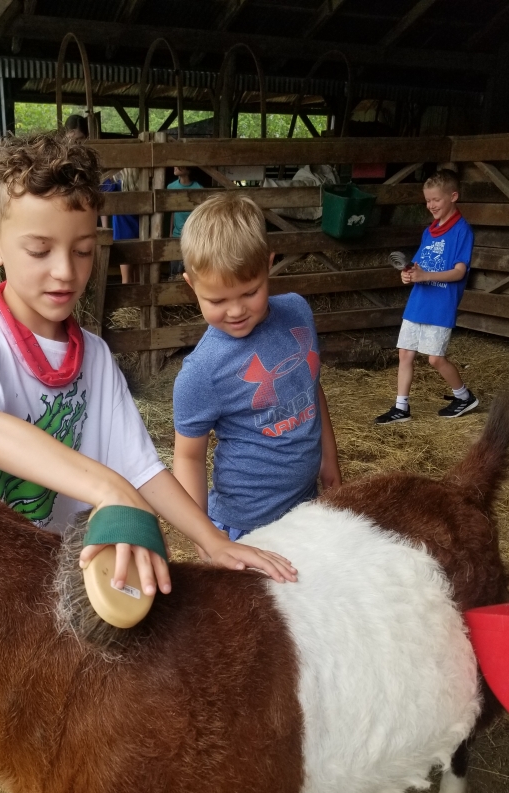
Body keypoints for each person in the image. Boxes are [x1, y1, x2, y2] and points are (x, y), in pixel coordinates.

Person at [0, 131, 297, 793]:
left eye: (84, 250)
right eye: (39, 249)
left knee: (55, 720)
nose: (65, 272)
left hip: (63, 587)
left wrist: (212, 542)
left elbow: (141, 465)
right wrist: (105, 491)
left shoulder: (90, 357)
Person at [172, 193, 341, 544]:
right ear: (191, 284)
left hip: (306, 508)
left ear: (269, 265)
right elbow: (188, 457)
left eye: (250, 292)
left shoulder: (297, 313)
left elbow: (310, 386)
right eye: (217, 300)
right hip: (246, 527)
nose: (235, 311)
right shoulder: (201, 372)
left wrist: (329, 458)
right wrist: (205, 537)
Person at [375, 169, 477, 423]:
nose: (431, 205)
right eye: (428, 200)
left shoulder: (462, 231)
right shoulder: (429, 231)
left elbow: (459, 271)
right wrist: (409, 275)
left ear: (453, 196)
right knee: (405, 354)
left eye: (436, 200)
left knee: (434, 358)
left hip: (440, 304)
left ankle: (464, 397)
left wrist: (426, 276)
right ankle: (401, 408)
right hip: (418, 302)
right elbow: (419, 265)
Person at [167, 165, 202, 277]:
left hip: (192, 236)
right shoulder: (171, 187)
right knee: (174, 272)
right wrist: (170, 232)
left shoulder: (199, 189)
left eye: (179, 165)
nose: (175, 167)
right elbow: (172, 212)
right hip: (176, 234)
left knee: (190, 271)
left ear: (188, 169)